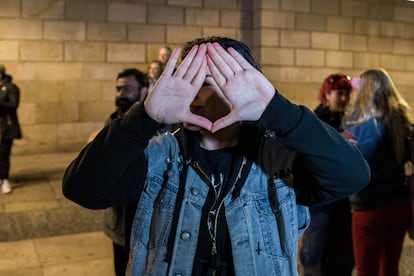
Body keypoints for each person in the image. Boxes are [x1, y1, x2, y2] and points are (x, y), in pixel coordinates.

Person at [62, 36, 370, 275]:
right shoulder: (159, 157)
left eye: (207, 81)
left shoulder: (280, 161)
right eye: (186, 77)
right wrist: (145, 117)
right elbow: (82, 189)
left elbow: (352, 176)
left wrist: (277, 110)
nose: (190, 89)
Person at [342, 68, 413, 276]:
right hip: (399, 204)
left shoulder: (355, 123)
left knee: (366, 270)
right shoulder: (402, 120)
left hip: (369, 206)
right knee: (390, 267)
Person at [300, 73, 355, 276]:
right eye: (339, 93)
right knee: (315, 253)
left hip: (345, 203)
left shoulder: (352, 120)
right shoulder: (315, 120)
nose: (344, 99)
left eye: (347, 94)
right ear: (327, 94)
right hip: (321, 203)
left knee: (343, 255)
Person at [102, 68, 149, 276]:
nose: (121, 94)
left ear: (143, 92)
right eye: (118, 89)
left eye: (127, 89)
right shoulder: (112, 122)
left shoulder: (157, 126)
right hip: (119, 220)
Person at [0, 64, 22, 194]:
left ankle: (5, 179)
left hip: (6, 127)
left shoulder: (11, 87)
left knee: (3, 154)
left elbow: (14, 104)